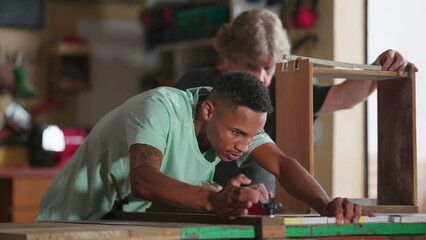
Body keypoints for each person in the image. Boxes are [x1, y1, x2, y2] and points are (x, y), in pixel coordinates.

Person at [37, 71, 373, 223]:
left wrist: (326, 203)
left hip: (122, 221)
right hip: (68, 217)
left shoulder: (237, 123)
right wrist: (213, 200)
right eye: (237, 134)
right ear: (208, 111)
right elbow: (143, 179)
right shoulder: (160, 108)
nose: (242, 147)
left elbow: (283, 165)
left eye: (249, 137)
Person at [174, 8, 418, 194]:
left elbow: (342, 97)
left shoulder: (285, 87)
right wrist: (210, 194)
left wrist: (381, 67)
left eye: (268, 67)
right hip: (204, 199)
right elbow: (174, 153)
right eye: (251, 66)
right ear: (228, 57)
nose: (261, 77)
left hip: (263, 203)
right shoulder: (196, 84)